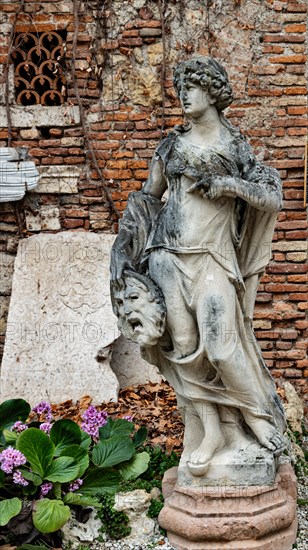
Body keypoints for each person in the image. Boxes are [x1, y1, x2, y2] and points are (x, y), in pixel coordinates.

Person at [110, 57, 286, 477]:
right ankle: (209, 431)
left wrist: (229, 185)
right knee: (185, 350)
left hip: (212, 259)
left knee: (222, 347)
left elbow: (271, 197)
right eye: (180, 88)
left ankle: (258, 417)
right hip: (166, 258)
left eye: (190, 87)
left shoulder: (235, 147)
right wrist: (125, 248)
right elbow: (149, 197)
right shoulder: (170, 146)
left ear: (212, 92)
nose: (183, 95)